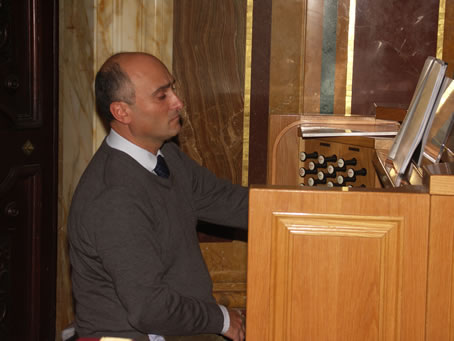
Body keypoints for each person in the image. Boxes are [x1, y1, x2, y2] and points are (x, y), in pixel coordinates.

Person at [67, 52, 248, 341]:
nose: (178, 102)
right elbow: (149, 310)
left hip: (174, 325)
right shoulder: (115, 199)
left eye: (172, 89)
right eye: (162, 96)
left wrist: (318, 208)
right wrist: (222, 318)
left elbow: (230, 202)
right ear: (122, 112)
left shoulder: (167, 156)